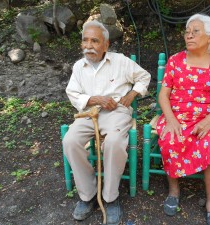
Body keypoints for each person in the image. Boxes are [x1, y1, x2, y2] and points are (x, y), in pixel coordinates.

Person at [63, 20, 151, 225]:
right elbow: (73, 93)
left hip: (116, 112)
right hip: (89, 113)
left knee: (113, 143)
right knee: (70, 141)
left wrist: (132, 94)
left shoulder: (120, 61)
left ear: (106, 44)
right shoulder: (79, 66)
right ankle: (88, 195)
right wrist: (95, 99)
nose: (88, 45)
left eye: (94, 41)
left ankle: (110, 197)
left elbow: (144, 77)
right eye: (85, 40)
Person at [156, 13, 210, 225]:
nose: (189, 36)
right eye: (187, 32)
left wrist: (208, 121)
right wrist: (170, 119)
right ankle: (173, 191)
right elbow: (163, 95)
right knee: (171, 139)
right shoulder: (175, 61)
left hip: (209, 116)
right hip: (177, 115)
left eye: (195, 32)